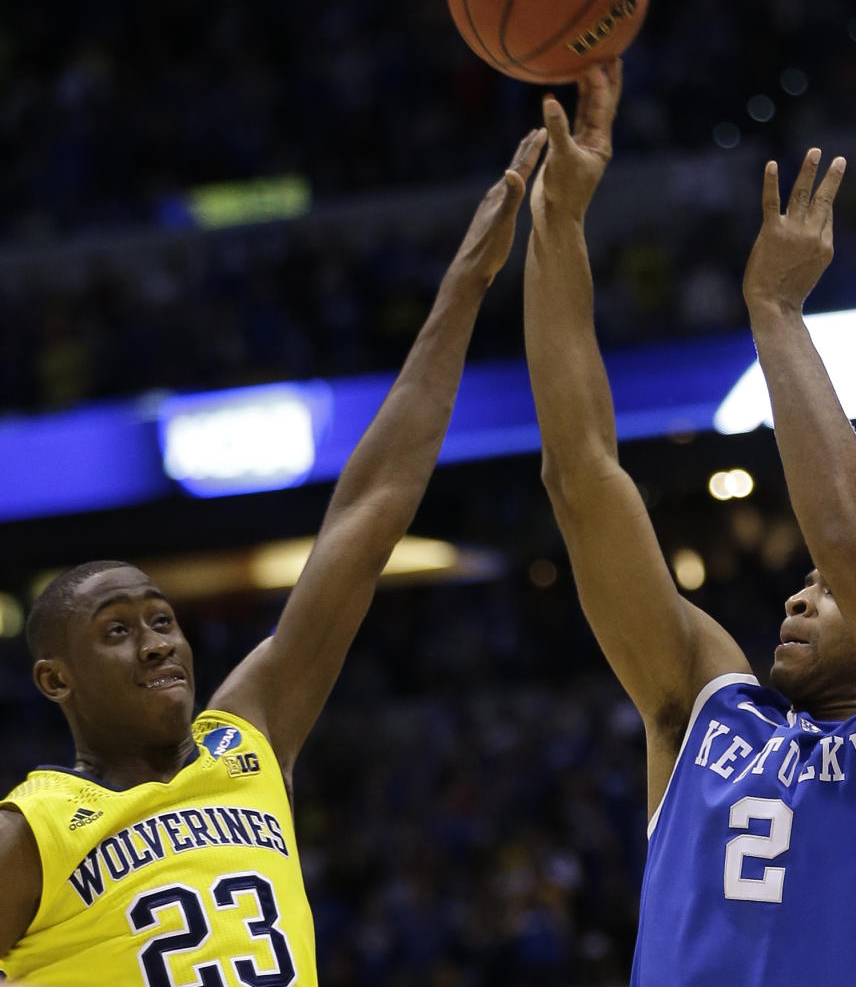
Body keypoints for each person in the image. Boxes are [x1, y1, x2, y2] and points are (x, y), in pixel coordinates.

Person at [0, 126, 547, 986]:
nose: (156, 643)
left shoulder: (245, 741)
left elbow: (366, 518)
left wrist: (466, 284)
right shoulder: (30, 831)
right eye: (115, 630)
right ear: (54, 679)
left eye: (161, 620)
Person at [523, 59, 856, 986]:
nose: (800, 598)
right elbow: (583, 477)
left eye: (829, 596)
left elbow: (852, 541)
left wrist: (777, 313)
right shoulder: (707, 701)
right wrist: (558, 224)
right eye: (804, 586)